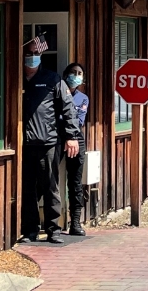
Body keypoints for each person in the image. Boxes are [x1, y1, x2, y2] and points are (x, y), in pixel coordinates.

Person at [19, 37, 79, 244]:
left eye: (37, 54)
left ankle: (54, 229)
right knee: (27, 188)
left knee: (50, 186)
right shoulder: (14, 78)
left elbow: (68, 109)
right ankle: (29, 230)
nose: (33, 58)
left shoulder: (52, 79)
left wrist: (71, 136)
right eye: (29, 54)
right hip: (23, 145)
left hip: (48, 142)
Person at [62, 63, 89, 236]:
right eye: (73, 72)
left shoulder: (83, 98)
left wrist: (71, 137)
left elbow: (79, 120)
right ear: (65, 75)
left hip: (76, 139)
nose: (76, 76)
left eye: (79, 73)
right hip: (56, 138)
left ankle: (76, 222)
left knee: (75, 182)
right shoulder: (57, 93)